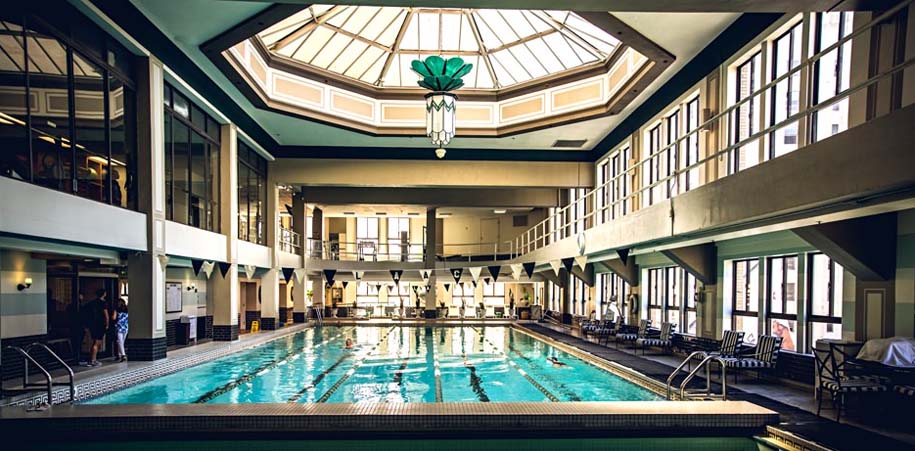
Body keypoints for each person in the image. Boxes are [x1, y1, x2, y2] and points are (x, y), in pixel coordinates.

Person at [82, 289, 110, 367]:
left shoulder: (92, 303)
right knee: (96, 342)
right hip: (100, 324)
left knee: (96, 342)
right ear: (104, 294)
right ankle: (92, 360)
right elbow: (106, 315)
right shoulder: (102, 303)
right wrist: (107, 324)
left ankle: (93, 359)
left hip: (93, 324)